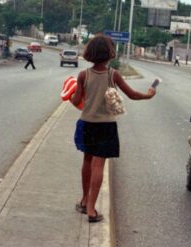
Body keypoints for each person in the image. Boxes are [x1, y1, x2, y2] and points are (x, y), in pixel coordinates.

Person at [71, 34, 156, 223]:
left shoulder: (83, 75)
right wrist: (148, 95)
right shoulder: (113, 75)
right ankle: (92, 209)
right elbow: (132, 94)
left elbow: (75, 100)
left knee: (87, 160)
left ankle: (84, 200)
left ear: (90, 53)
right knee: (99, 165)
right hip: (106, 125)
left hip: (86, 123)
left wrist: (70, 95)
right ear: (110, 53)